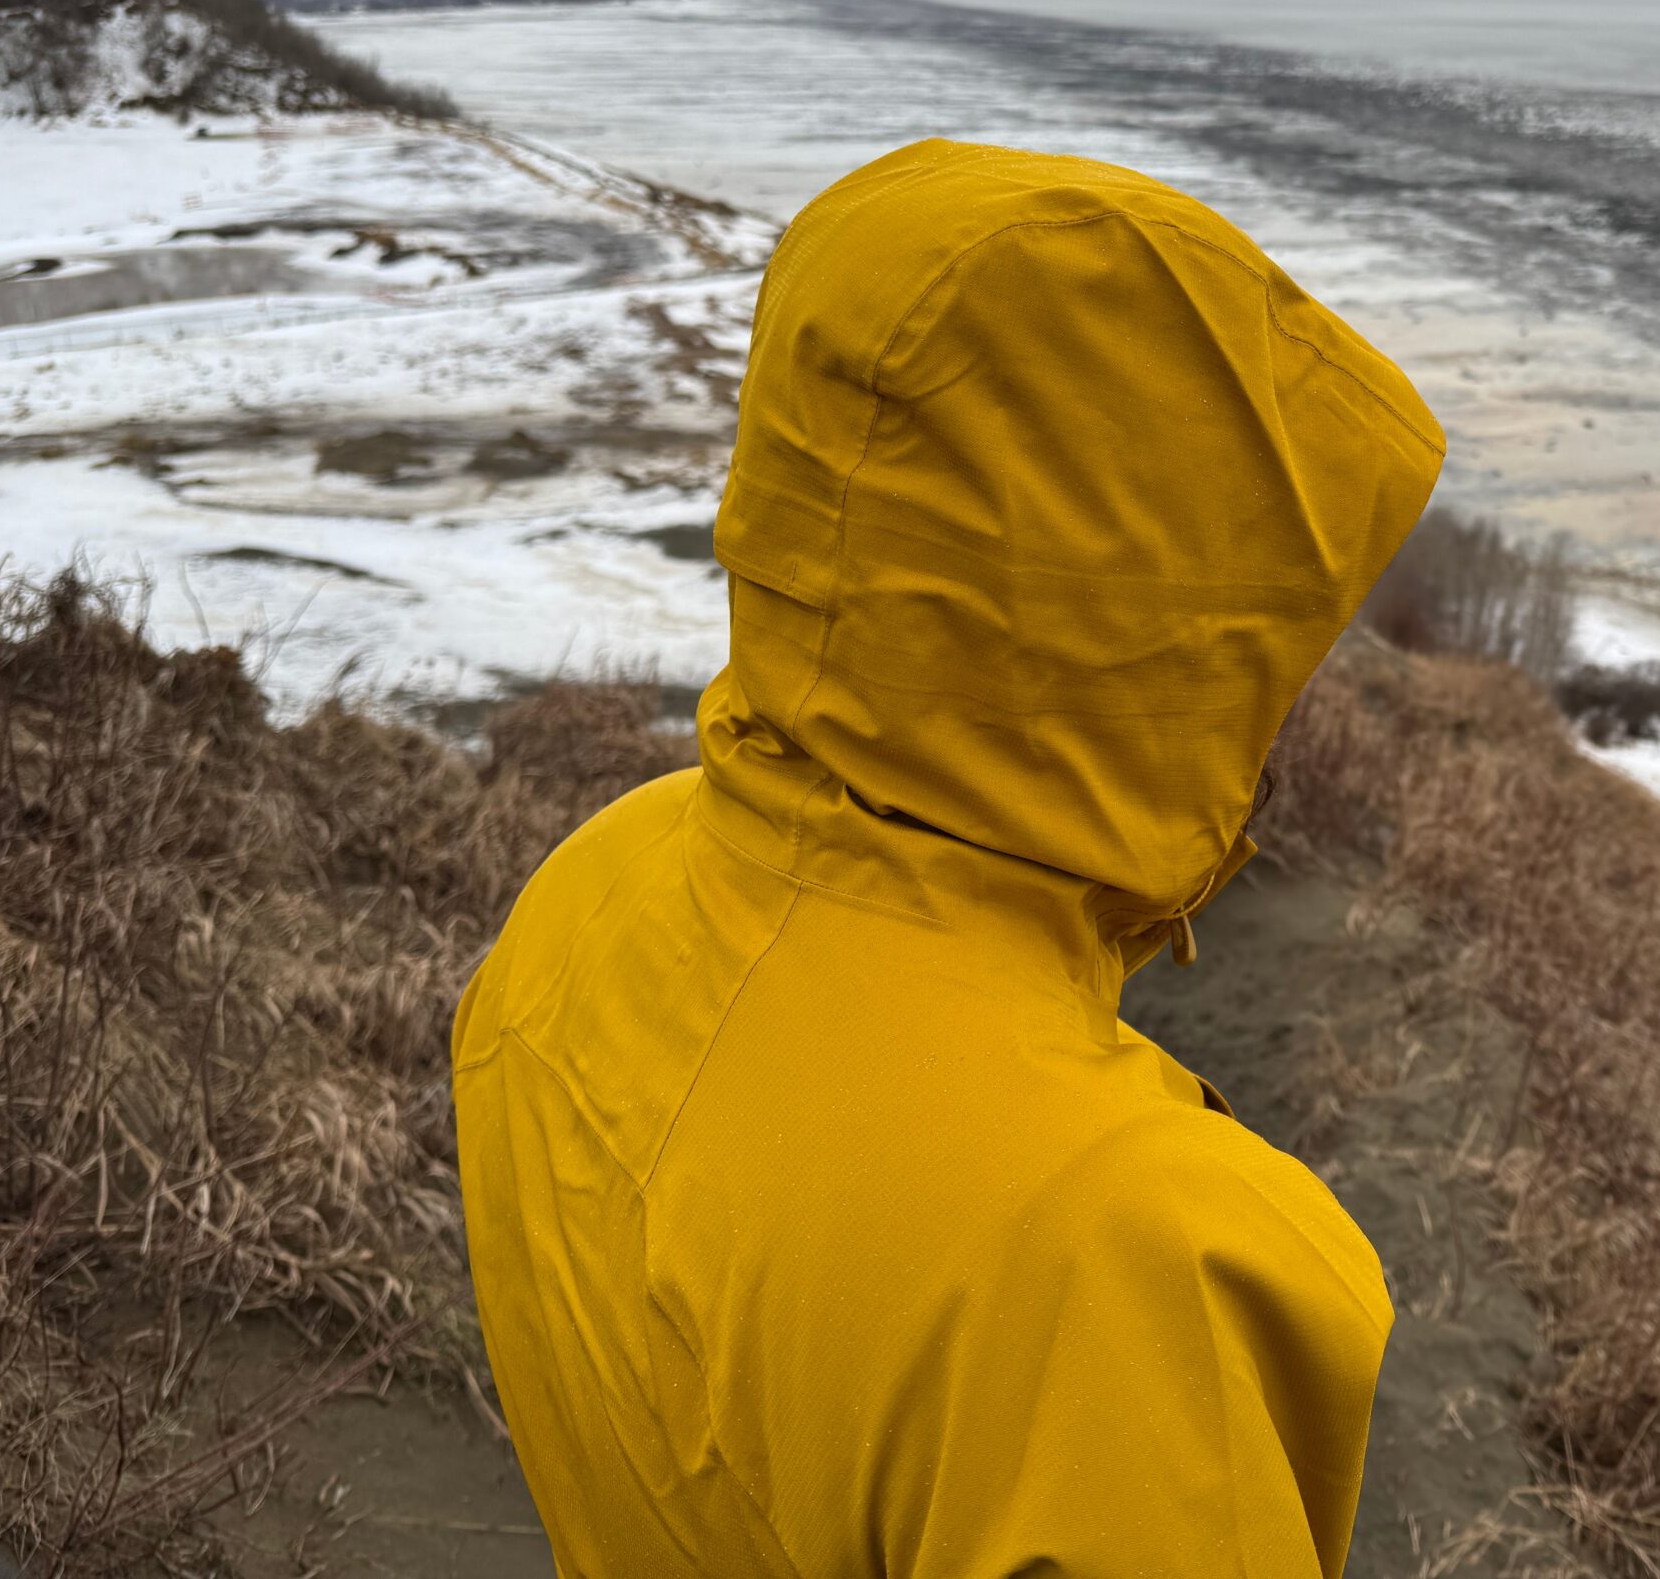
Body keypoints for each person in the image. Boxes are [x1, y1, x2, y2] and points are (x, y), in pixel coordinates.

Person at [451, 138, 1445, 1576]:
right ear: (1139, 631)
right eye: (1255, 639)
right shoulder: (1110, 1265)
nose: (1277, 709)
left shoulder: (588, 891)